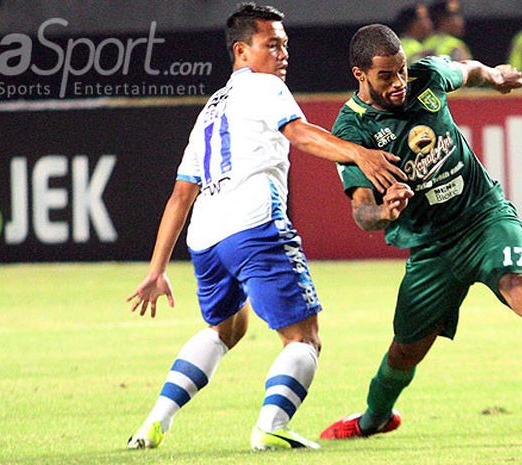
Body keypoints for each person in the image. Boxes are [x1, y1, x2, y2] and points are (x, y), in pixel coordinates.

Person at [125, 4, 405, 451]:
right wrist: (358, 153)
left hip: (206, 236)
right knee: (304, 339)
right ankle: (271, 426)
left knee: (226, 329)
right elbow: (298, 132)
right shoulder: (266, 87)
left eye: (285, 45)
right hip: (255, 224)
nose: (282, 54)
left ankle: (155, 421)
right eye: (271, 44)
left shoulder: (211, 110)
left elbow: (182, 194)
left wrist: (156, 269)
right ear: (242, 50)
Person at [318, 24, 522, 441]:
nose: (399, 83)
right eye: (386, 76)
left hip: (484, 217)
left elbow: (467, 71)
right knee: (405, 350)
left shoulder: (426, 77)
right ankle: (373, 419)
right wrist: (385, 210)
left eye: (400, 71)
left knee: (518, 283)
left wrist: (496, 76)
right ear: (360, 75)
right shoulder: (352, 130)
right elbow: (362, 212)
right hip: (432, 247)